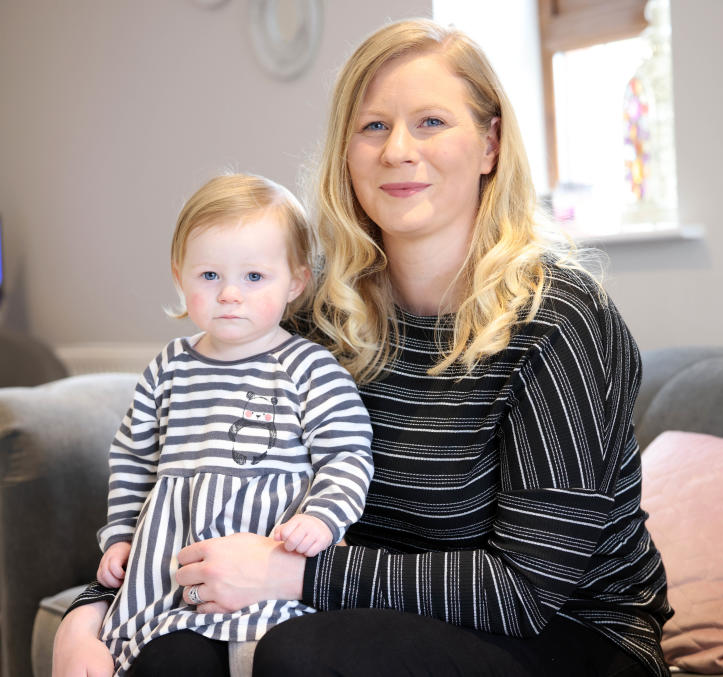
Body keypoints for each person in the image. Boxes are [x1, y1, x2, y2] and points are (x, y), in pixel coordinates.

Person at [53, 19, 672, 677]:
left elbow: (525, 589)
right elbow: (206, 481)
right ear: (345, 153)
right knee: (174, 656)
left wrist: (299, 574)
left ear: (490, 144)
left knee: (302, 655)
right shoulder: (322, 317)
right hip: (380, 613)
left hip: (575, 633)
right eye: (373, 126)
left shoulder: (559, 319)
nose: (398, 149)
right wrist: (89, 615)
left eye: (431, 121)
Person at [87, 173, 374, 676]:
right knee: (165, 661)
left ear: (296, 282)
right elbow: (133, 457)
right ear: (180, 275)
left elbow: (347, 455)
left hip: (271, 572)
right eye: (210, 276)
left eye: (254, 277)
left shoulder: (310, 367)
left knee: (265, 659)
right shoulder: (170, 366)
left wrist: (324, 518)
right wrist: (119, 536)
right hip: (174, 579)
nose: (229, 295)